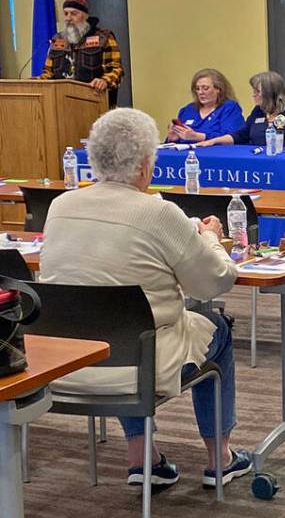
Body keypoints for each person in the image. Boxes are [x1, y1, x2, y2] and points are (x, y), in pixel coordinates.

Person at [39, 108, 254, 488]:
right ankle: (220, 458)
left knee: (119, 326)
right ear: (143, 166)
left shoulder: (60, 206)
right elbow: (214, 283)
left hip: (66, 365)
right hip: (139, 367)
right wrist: (208, 238)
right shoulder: (158, 212)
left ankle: (142, 457)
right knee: (217, 327)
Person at [37, 0, 124, 105]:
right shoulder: (57, 40)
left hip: (95, 101)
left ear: (85, 16)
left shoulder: (104, 38)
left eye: (74, 14)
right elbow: (48, 73)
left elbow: (116, 70)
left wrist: (104, 81)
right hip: (62, 104)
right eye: (66, 13)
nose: (68, 18)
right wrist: (34, 83)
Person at [198, 71, 285, 148]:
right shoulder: (259, 110)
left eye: (257, 92)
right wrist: (214, 141)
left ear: (269, 92)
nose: (253, 95)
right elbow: (242, 135)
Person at [167, 68, 243, 142]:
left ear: (218, 89)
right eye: (197, 89)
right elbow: (173, 143)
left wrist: (197, 136)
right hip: (186, 153)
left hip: (215, 153)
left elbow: (232, 137)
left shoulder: (229, 108)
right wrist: (172, 139)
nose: (200, 92)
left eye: (205, 88)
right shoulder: (188, 110)